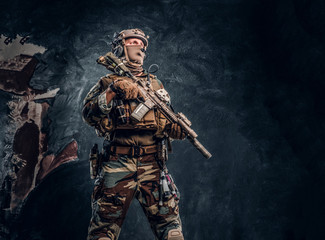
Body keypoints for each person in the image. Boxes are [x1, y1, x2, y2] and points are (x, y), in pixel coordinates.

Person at [82, 28, 185, 240]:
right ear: (120, 47)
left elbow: (164, 120)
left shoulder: (155, 83)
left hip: (153, 162)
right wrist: (112, 91)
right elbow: (89, 115)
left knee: (171, 229)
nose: (138, 46)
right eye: (132, 42)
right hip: (118, 162)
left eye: (141, 43)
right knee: (103, 230)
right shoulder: (107, 82)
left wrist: (176, 128)